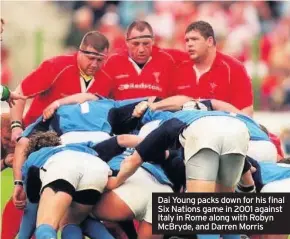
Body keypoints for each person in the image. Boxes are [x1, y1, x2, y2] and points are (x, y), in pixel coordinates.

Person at [16, 130, 140, 238]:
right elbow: (121, 140)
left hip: (63, 167)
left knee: (47, 223)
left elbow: (32, 206)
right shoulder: (80, 146)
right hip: (100, 170)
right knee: (71, 222)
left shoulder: (35, 157)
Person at [10, 31, 112, 142]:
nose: (94, 64)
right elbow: (19, 94)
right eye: (90, 58)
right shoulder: (56, 66)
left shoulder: (107, 79)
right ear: (80, 52)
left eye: (99, 60)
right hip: (38, 135)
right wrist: (16, 126)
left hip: (77, 141)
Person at [170, 21, 254, 116]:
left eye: (194, 39)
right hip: (182, 127)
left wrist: (215, 105)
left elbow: (247, 115)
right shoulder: (177, 69)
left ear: (209, 41)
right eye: (187, 40)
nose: (189, 44)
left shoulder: (234, 68)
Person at [103, 20, 176, 100]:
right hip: (122, 111)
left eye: (146, 44)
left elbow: (177, 99)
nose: (141, 49)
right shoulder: (114, 62)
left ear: (153, 41)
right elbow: (99, 96)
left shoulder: (166, 61)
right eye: (136, 44)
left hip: (157, 111)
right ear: (127, 42)